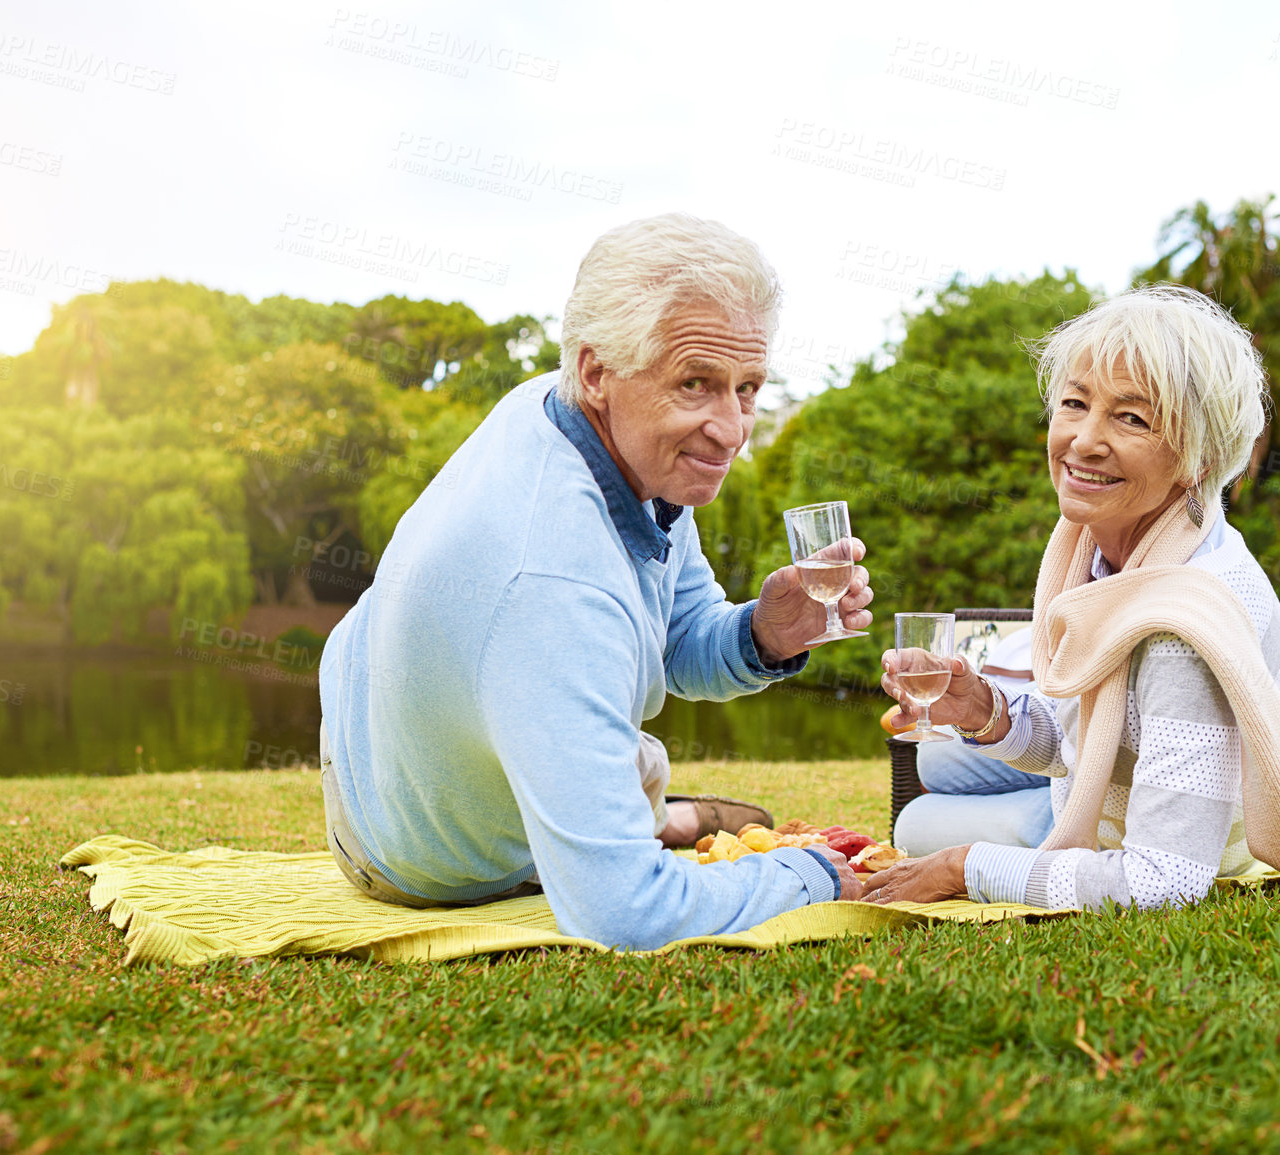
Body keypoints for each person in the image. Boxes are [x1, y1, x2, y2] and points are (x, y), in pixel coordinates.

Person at [318, 213, 872, 949]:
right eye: (695, 384)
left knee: (602, 747)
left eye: (747, 388)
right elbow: (626, 915)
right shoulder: (550, 577)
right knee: (606, 760)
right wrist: (816, 873)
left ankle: (655, 808)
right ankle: (659, 814)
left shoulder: (584, 424)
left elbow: (676, 637)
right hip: (413, 859)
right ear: (596, 371)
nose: (732, 428)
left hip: (408, 747)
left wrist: (761, 634)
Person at [864, 284, 1280, 909]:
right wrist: (982, 708)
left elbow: (1164, 883)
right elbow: (1081, 740)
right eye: (1075, 403)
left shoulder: (1186, 623)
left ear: (1198, 456)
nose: (1083, 440)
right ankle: (1046, 822)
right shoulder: (1096, 551)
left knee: (921, 830)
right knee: (936, 768)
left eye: (1131, 418)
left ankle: (1049, 836)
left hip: (1197, 834)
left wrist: (963, 869)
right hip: (1113, 788)